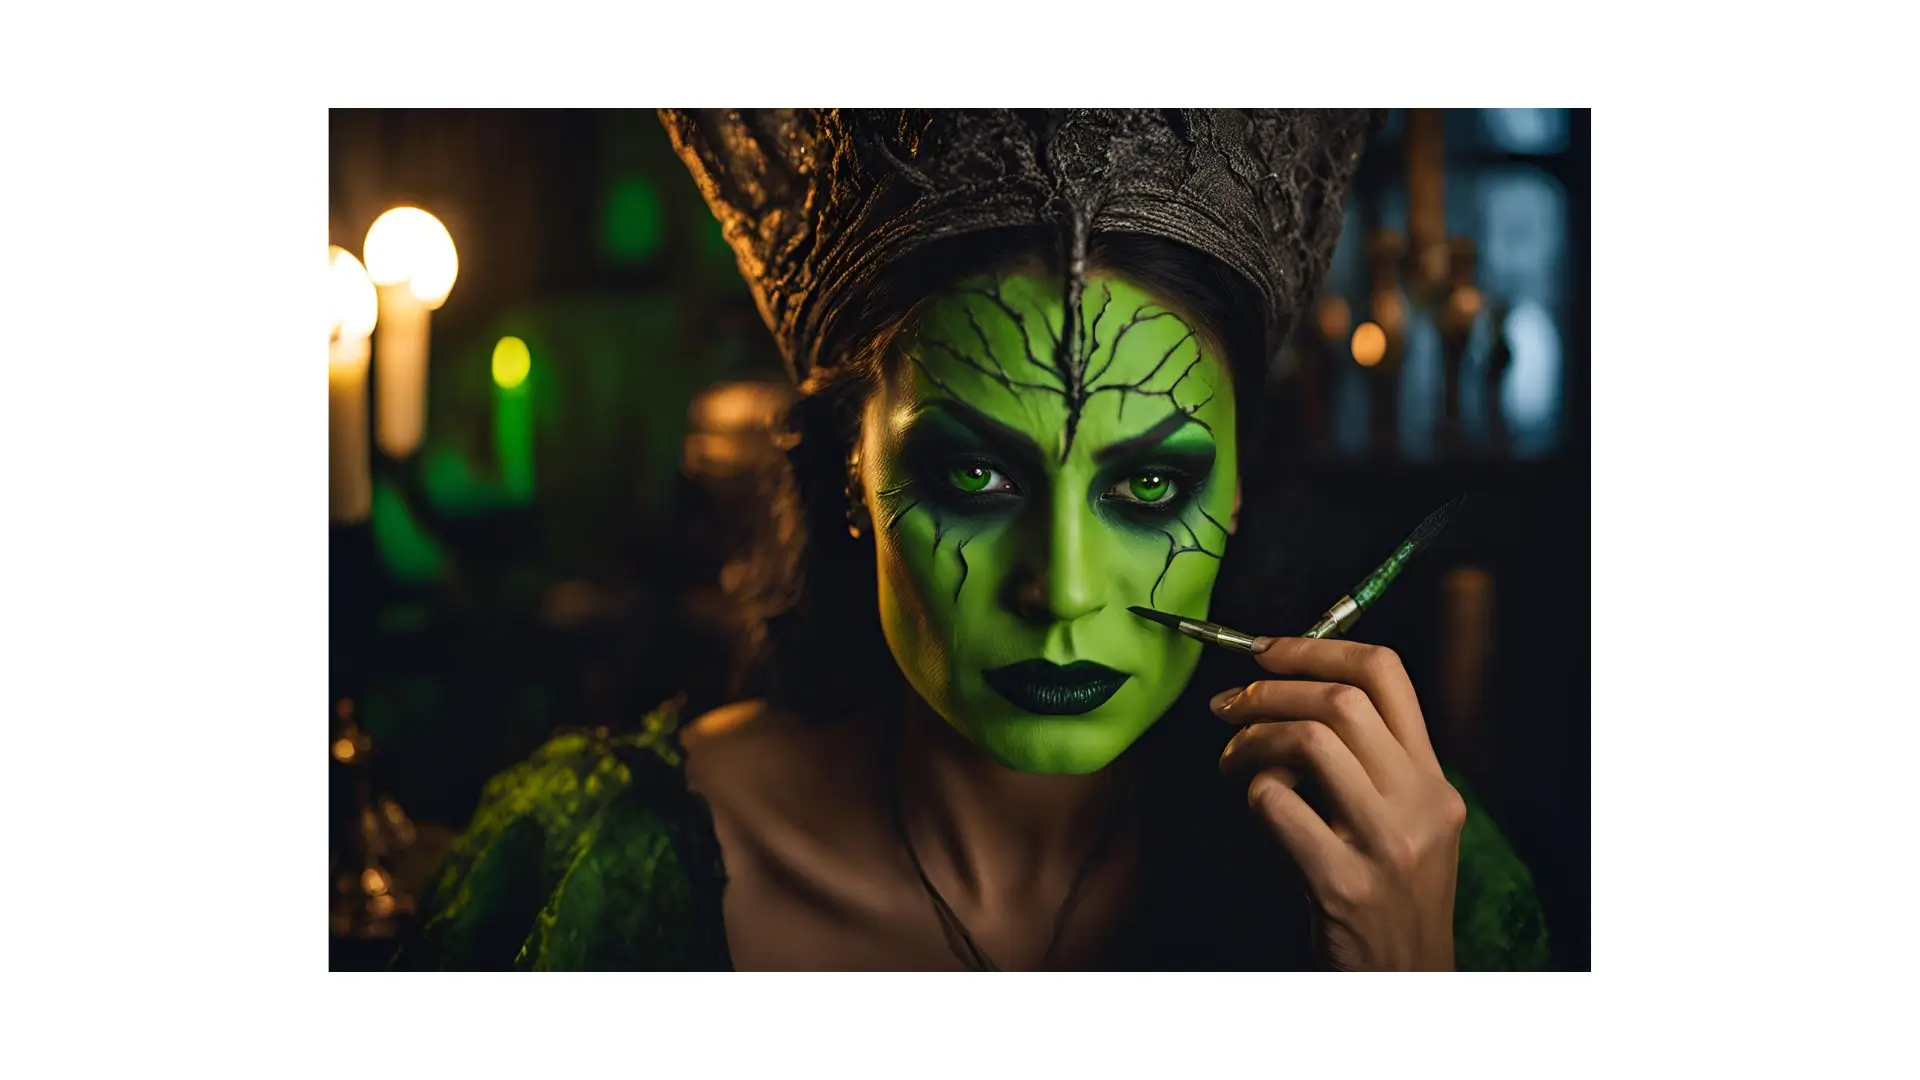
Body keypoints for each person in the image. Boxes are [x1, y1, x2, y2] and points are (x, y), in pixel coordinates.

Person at [396, 109, 1549, 971]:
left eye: (1149, 484)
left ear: (1240, 485)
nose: (1062, 595)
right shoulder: (601, 878)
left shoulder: (1405, 863)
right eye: (976, 474)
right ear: (854, 467)